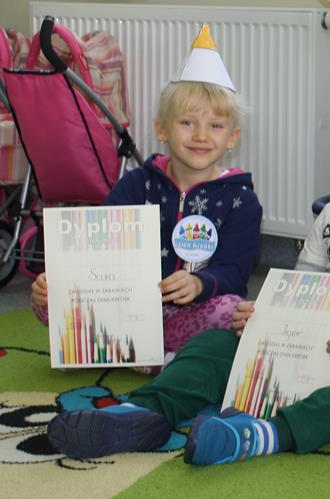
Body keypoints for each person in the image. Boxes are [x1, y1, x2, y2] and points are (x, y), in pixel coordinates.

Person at [46, 42, 330, 464]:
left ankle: (264, 434)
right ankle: (144, 411)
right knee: (216, 344)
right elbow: (301, 284)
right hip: (315, 329)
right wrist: (266, 314)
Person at [30, 25, 261, 360]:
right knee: (48, 297)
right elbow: (96, 246)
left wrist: (200, 284)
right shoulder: (138, 183)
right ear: (161, 129)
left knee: (234, 311)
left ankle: (151, 353)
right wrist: (58, 278)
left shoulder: (241, 201)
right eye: (187, 122)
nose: (201, 135)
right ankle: (146, 350)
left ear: (233, 137)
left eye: (215, 126)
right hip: (127, 306)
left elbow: (234, 272)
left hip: (192, 312)